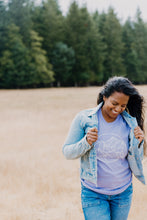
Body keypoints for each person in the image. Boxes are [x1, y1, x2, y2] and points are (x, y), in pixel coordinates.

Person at [62, 76, 146, 220]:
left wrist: (140, 141)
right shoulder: (85, 118)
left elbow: (138, 156)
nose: (118, 109)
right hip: (93, 194)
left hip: (123, 193)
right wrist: (86, 142)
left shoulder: (130, 123)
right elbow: (67, 152)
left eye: (123, 106)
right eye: (114, 103)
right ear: (104, 96)